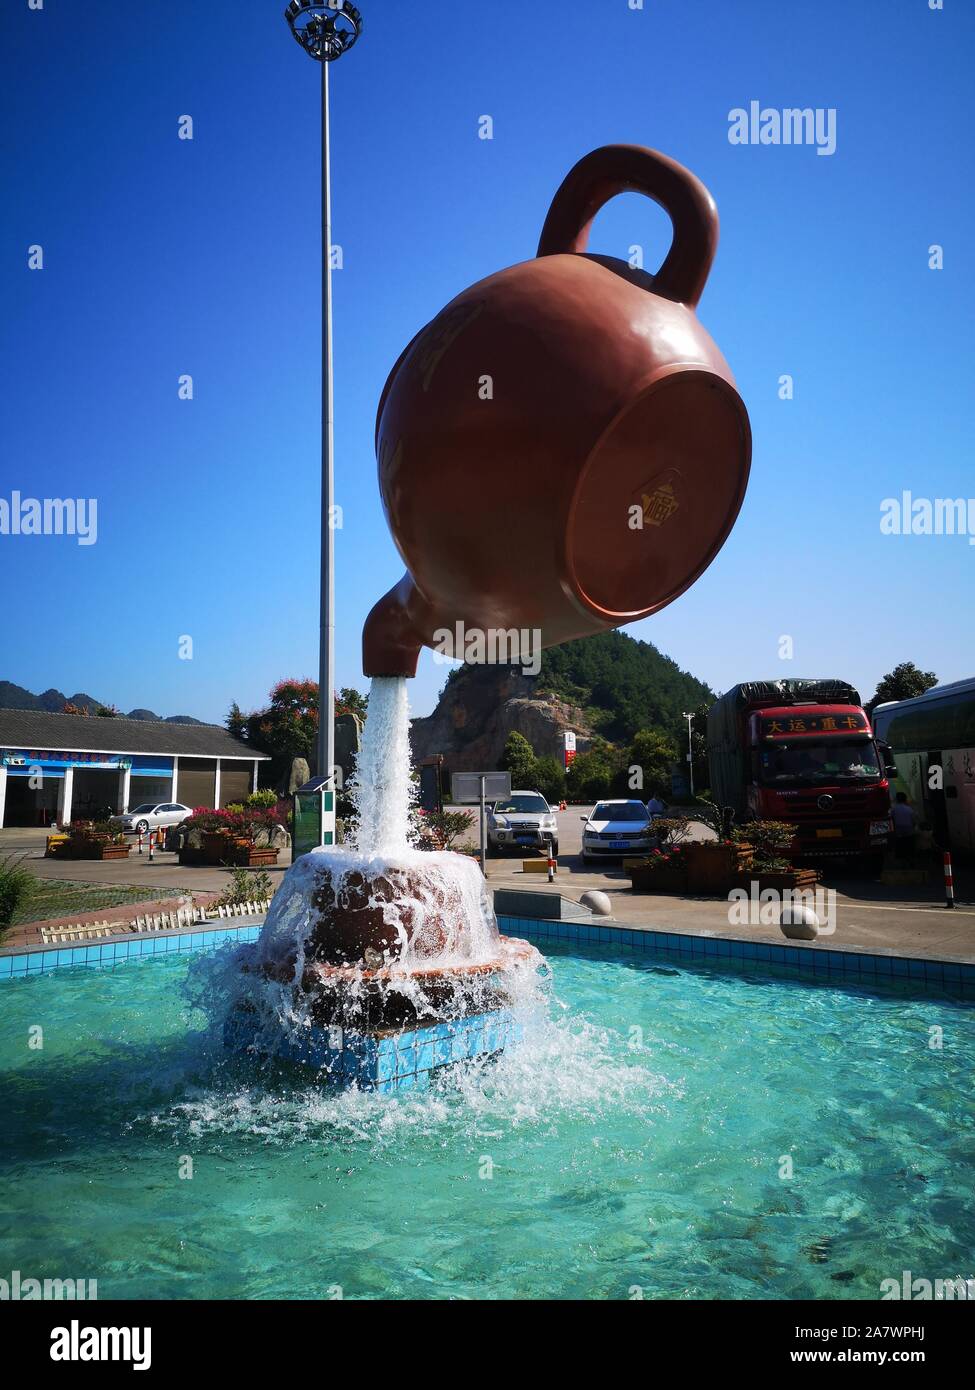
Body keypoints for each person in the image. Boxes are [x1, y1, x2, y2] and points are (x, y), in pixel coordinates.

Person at [891, 791, 916, 861]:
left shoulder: (894, 809)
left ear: (896, 799)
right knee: (909, 846)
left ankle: (902, 862)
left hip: (898, 831)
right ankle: (911, 860)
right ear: (905, 799)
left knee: (900, 847)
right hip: (909, 831)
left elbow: (891, 819)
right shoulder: (909, 809)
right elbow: (914, 821)